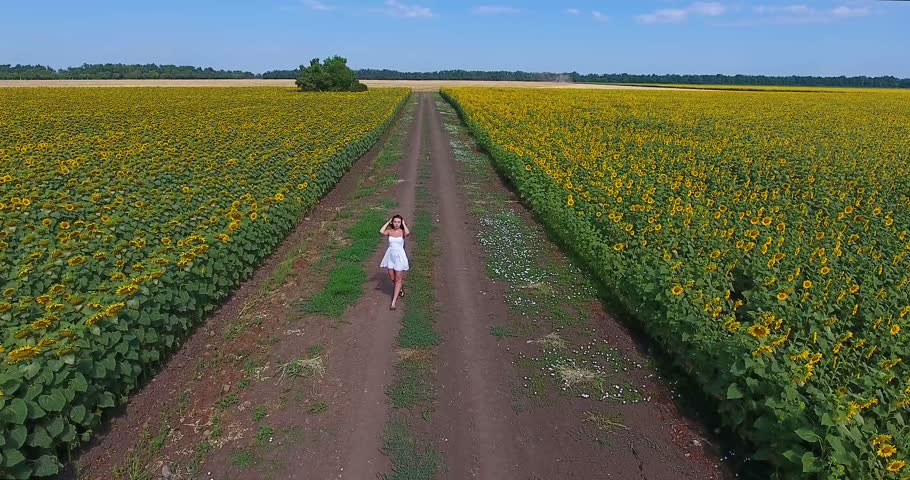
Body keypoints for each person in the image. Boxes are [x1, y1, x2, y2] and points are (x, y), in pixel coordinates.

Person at [379, 215, 410, 310]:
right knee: (392, 277)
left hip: (399, 257)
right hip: (390, 256)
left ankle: (393, 302)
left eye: (399, 222)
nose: (397, 224)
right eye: (395, 221)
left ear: (401, 223)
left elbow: (408, 233)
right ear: (393, 222)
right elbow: (381, 231)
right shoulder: (389, 231)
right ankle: (400, 286)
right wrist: (388, 222)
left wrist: (404, 224)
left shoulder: (402, 232)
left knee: (398, 279)